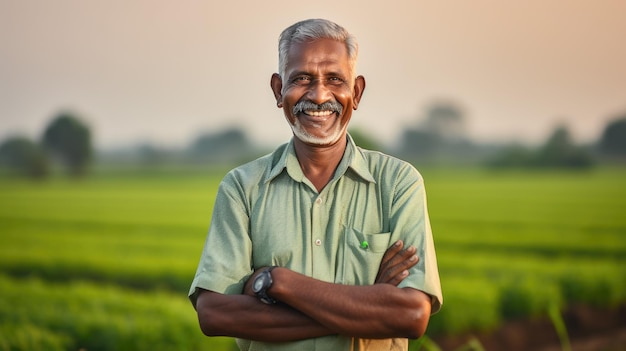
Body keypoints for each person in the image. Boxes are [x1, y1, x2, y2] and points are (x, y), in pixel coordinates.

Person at [189, 18, 443, 351]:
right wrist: (367, 306)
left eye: (335, 79)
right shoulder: (242, 188)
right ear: (279, 90)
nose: (319, 95)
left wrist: (279, 283)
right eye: (302, 78)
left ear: (356, 91)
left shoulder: (397, 183)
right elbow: (214, 314)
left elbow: (410, 316)